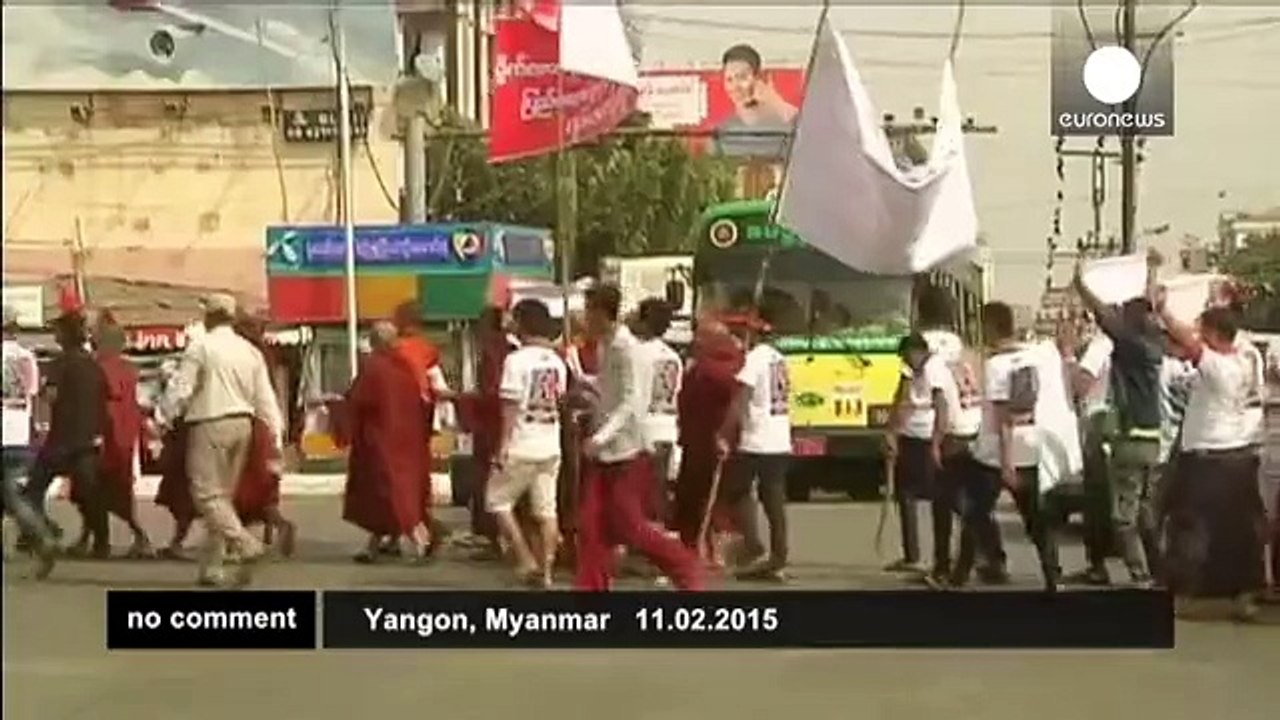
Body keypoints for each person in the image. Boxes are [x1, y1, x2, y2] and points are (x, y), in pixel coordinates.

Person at [575, 284, 702, 591]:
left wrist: (601, 436)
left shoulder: (624, 346)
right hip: (605, 452)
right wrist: (585, 391)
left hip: (627, 451)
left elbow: (632, 401)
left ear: (602, 313)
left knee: (630, 527)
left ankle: (684, 567)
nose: (584, 319)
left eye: (589, 311)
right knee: (592, 527)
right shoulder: (606, 345)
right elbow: (610, 392)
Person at [164, 293, 284, 587]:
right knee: (222, 499)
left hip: (209, 421)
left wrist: (163, 415)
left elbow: (182, 388)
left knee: (206, 494)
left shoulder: (202, 347)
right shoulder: (249, 351)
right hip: (243, 423)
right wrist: (276, 434)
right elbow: (265, 398)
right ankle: (212, 567)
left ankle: (246, 545)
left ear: (212, 316)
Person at [1159, 299, 1268, 622]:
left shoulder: (1219, 366)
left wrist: (1164, 309)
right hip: (1237, 456)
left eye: (1203, 331)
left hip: (1209, 459)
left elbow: (1189, 344)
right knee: (1238, 530)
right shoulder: (1245, 358)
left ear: (1214, 334)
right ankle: (1242, 594)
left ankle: (1185, 591)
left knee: (1189, 525)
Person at [951, 302, 1062, 593]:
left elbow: (1003, 416)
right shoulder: (1035, 356)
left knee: (974, 514)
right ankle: (1053, 576)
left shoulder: (996, 365)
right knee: (1036, 518)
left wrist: (1006, 462)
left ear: (990, 326)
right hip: (1032, 447)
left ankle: (957, 577)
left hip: (996, 454)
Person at [1074, 253, 1164, 587]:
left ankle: (1141, 576)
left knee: (1122, 517)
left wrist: (1081, 283)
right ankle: (1160, 569)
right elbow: (1150, 304)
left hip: (1129, 437)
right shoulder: (1155, 344)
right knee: (1143, 510)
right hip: (1153, 438)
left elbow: (1102, 313)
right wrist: (1152, 271)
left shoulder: (1128, 345)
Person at [912, 287, 994, 587]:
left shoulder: (924, 348)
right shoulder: (963, 345)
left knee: (943, 504)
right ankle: (990, 556)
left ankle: (944, 567)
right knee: (973, 503)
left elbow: (940, 401)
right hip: (975, 426)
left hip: (951, 434)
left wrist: (935, 441)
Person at [487, 299, 567, 587]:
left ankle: (524, 558)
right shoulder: (558, 362)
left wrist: (502, 446)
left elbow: (509, 407)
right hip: (550, 441)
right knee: (547, 509)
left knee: (497, 501)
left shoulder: (516, 361)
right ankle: (546, 572)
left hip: (522, 440)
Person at [340, 321, 433, 563]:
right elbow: (421, 402)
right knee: (390, 492)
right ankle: (377, 545)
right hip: (408, 439)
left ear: (374, 341)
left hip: (380, 440)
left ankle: (419, 538)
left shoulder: (374, 367)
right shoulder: (405, 367)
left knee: (388, 491)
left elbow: (358, 400)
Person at [24, 311, 109, 558]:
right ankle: (101, 543)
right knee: (89, 494)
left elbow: (50, 396)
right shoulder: (93, 365)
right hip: (88, 438)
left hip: (63, 439)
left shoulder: (60, 363)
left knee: (33, 490)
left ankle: (43, 534)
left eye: (58, 331)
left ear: (65, 335)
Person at [717, 305, 792, 582]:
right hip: (779, 436)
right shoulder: (780, 359)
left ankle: (752, 546)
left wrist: (725, 432)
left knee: (736, 491)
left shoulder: (756, 359)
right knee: (773, 498)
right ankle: (778, 555)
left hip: (758, 438)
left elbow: (741, 398)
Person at [73, 320, 153, 557]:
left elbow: (106, 401)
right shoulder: (128, 368)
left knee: (98, 490)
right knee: (105, 491)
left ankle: (137, 537)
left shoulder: (99, 367)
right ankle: (89, 537)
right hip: (124, 435)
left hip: (107, 436)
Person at [672, 316, 744, 560]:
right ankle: (710, 549)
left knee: (704, 497)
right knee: (715, 499)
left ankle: (705, 549)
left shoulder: (710, 370)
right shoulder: (735, 363)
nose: (695, 340)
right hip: (711, 439)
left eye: (700, 336)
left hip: (708, 439)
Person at [230, 311, 296, 557]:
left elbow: (262, 396)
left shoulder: (247, 356)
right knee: (262, 488)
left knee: (239, 487)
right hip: (264, 428)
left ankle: (237, 541)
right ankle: (278, 526)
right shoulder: (263, 356)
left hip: (248, 424)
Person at [884, 332, 948, 577]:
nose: (906, 362)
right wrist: (891, 432)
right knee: (905, 493)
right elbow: (900, 399)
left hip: (926, 437)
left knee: (940, 497)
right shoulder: (912, 370)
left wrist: (936, 442)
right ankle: (912, 555)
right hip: (909, 435)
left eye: (907, 357)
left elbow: (942, 407)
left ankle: (957, 555)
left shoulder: (934, 369)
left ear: (916, 352)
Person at [391, 300, 451, 554]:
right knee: (415, 480)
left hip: (399, 421)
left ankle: (419, 530)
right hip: (421, 420)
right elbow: (437, 386)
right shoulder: (427, 350)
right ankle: (406, 531)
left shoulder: (394, 350)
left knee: (397, 480)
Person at [2, 304, 57, 578]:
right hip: (19, 435)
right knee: (12, 493)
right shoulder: (27, 357)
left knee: (13, 498)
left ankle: (42, 537)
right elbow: (34, 399)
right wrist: (36, 432)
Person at [1064, 313, 1117, 585]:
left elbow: (1081, 385)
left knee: (1096, 500)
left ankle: (1097, 566)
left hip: (1098, 423)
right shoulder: (1127, 341)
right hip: (1119, 426)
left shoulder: (1100, 345)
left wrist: (1069, 356)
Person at [462, 305, 514, 557]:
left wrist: (467, 400)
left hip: (492, 425)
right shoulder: (507, 347)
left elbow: (493, 391)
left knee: (488, 482)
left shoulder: (493, 350)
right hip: (502, 423)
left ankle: (496, 541)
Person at [631, 297, 683, 525]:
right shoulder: (673, 356)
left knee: (640, 492)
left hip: (643, 429)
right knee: (658, 489)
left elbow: (633, 394)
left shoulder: (637, 353)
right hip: (667, 426)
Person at [714, 43, 797, 159]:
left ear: (759, 78)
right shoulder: (723, 133)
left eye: (742, 77)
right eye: (729, 80)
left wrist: (777, 103)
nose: (735, 86)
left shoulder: (785, 126)